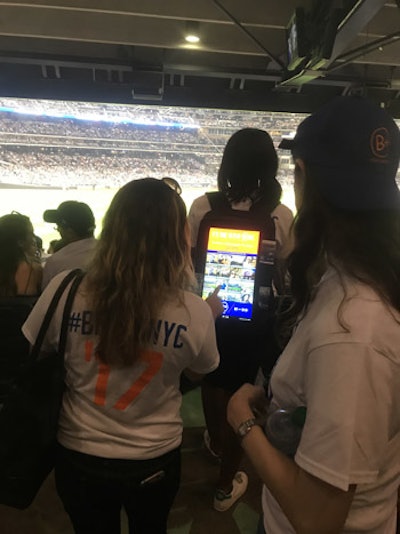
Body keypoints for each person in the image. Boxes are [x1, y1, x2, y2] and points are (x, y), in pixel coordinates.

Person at [227, 96, 400, 533]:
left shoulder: (351, 328)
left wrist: (243, 423)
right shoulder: (363, 282)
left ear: (302, 174)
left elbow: (318, 517)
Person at [22, 178, 220, 534]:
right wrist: (206, 318)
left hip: (78, 453)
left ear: (111, 226)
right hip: (155, 458)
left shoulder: (65, 287)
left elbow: (35, 350)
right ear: (177, 237)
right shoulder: (194, 311)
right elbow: (200, 372)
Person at [188, 128, 294, 511]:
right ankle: (224, 482)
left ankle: (215, 440)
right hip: (255, 326)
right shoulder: (281, 215)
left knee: (210, 377)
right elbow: (287, 273)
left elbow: (189, 265)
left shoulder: (202, 206)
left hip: (210, 314)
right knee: (239, 394)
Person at [41, 200, 97, 289]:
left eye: (58, 226)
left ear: (70, 231)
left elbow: (47, 293)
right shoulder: (112, 254)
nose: (58, 230)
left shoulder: (56, 262)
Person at [0, 211, 42, 296]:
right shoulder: (27, 269)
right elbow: (25, 305)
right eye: (31, 233)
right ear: (20, 242)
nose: (34, 238)